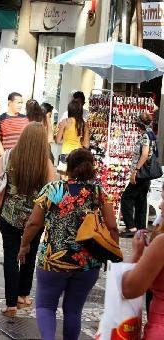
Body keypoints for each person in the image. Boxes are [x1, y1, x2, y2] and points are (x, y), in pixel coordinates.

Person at [18, 148, 118, 340]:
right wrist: (111, 254)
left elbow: (34, 223)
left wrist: (24, 244)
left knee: (46, 305)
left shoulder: (52, 189)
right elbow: (113, 227)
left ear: (69, 168)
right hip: (88, 262)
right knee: (74, 311)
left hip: (53, 260)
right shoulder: (99, 193)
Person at [0, 122, 56, 317]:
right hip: (35, 219)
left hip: (9, 216)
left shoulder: (8, 156)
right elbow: (54, 189)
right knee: (30, 253)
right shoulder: (45, 162)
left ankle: (10, 305)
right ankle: (23, 296)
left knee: (11, 257)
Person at [121, 195, 164, 338]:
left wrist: (137, 254)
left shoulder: (161, 243)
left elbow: (129, 289)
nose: (160, 206)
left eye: (163, 199)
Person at [120, 112, 155, 238]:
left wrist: (135, 170)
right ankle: (140, 229)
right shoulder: (151, 135)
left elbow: (145, 154)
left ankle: (131, 227)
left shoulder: (145, 136)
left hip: (140, 174)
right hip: (146, 175)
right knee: (141, 200)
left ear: (139, 124)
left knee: (126, 198)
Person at [55, 101, 89, 173]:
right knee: (75, 178)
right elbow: (86, 145)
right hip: (78, 155)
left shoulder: (65, 122)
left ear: (69, 110)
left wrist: (65, 140)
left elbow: (58, 140)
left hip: (65, 153)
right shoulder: (84, 124)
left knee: (64, 179)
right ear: (80, 111)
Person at [0, 92, 27, 158]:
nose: (20, 105)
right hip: (7, 158)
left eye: (21, 103)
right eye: (18, 103)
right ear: (10, 103)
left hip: (23, 158)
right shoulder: (0, 119)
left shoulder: (25, 119)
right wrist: (1, 157)